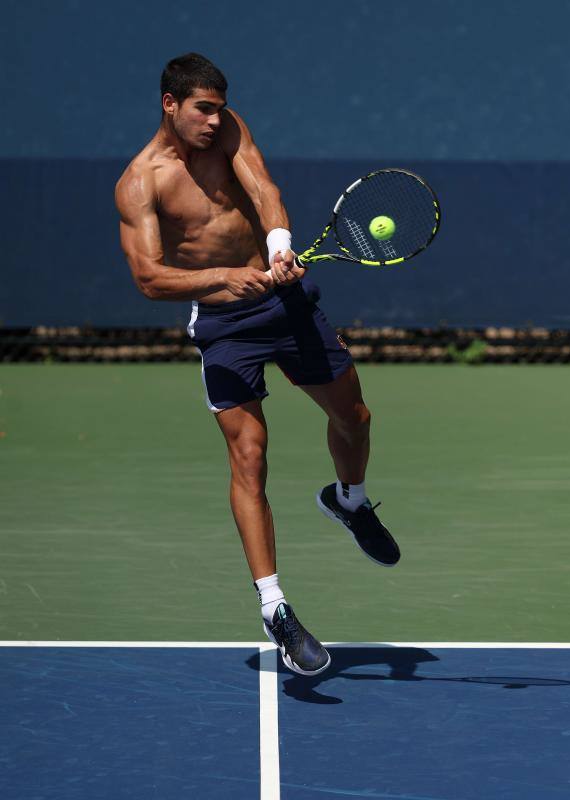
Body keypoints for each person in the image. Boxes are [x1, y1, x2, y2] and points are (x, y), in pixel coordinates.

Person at [115, 52, 400, 676]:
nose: (216, 121)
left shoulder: (230, 130)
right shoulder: (141, 181)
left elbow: (264, 188)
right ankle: (275, 606)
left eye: (220, 108)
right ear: (171, 104)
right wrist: (222, 278)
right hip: (223, 324)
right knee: (249, 455)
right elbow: (148, 278)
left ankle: (349, 501)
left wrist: (278, 246)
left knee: (354, 416)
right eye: (203, 110)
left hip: (286, 300)